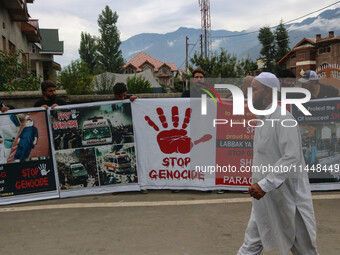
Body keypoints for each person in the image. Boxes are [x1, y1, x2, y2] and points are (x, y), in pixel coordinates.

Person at [237, 72, 319, 255]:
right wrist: (260, 184)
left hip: (288, 200)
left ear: (267, 93)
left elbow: (291, 158)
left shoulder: (284, 119)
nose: (250, 94)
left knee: (305, 250)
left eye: (254, 90)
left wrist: (264, 184)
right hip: (265, 199)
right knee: (250, 245)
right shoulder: (262, 120)